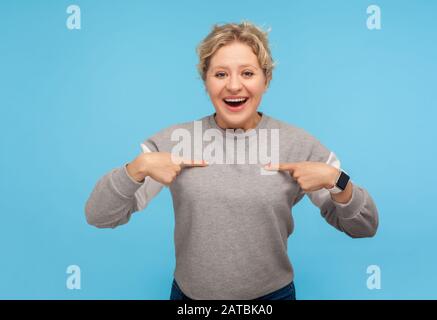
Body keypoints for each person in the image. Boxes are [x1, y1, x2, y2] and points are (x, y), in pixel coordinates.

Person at [85, 21, 379, 300]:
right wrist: (136, 169)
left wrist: (337, 181)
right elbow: (99, 216)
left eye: (248, 73)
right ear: (206, 81)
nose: (234, 86)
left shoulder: (298, 144)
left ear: (267, 79)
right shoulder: (173, 141)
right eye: (221, 74)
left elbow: (364, 227)